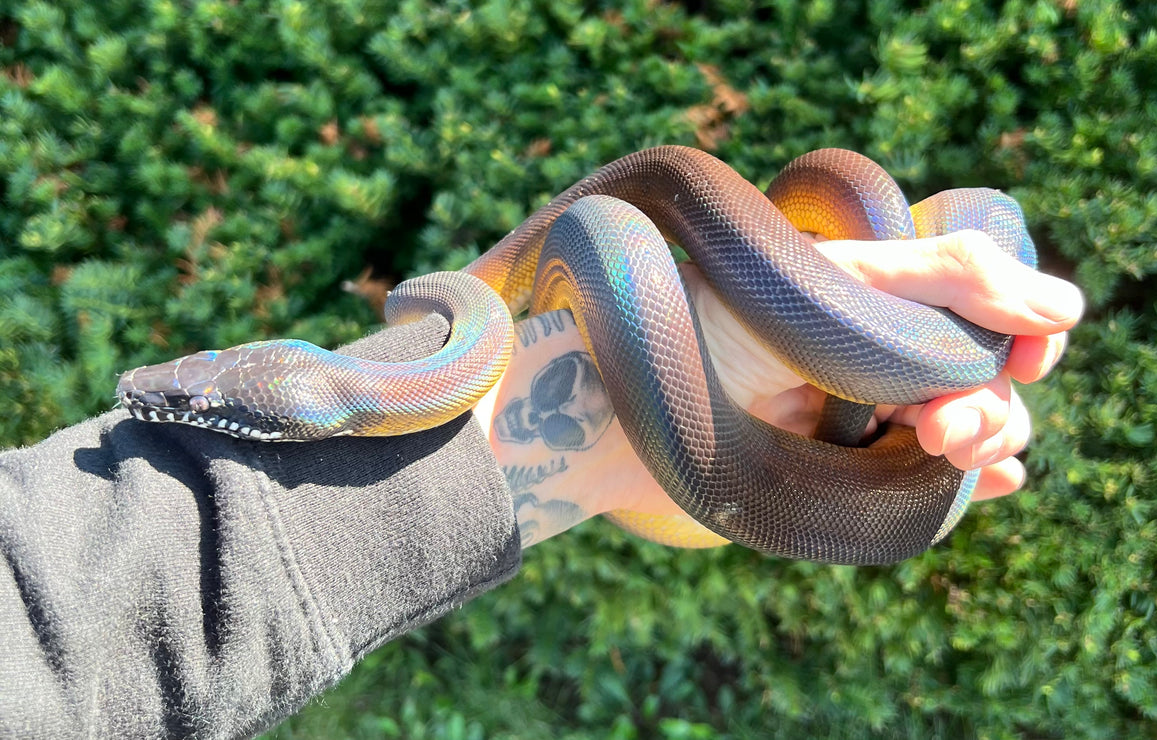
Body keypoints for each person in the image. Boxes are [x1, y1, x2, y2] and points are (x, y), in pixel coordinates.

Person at [0, 229, 1082, 738]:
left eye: (196, 398)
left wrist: (683, 379)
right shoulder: (435, 332)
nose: (163, 400)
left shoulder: (447, 326)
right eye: (194, 405)